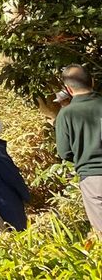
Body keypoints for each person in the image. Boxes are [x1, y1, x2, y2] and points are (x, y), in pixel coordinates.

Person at [55, 64, 102, 236]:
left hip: (92, 178)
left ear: (68, 89)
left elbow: (64, 152)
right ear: (92, 81)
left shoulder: (66, 115)